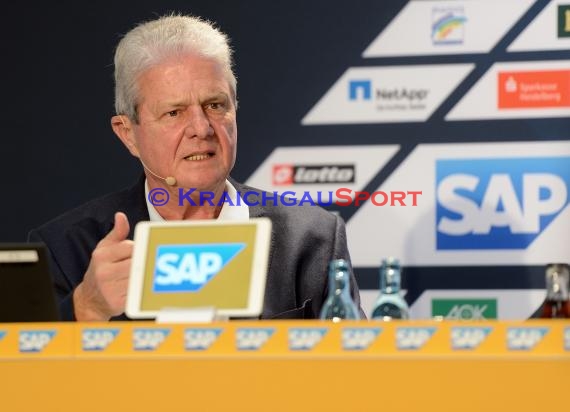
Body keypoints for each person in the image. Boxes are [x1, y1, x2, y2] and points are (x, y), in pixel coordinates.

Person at [28, 13, 363, 321]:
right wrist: (86, 308)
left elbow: (356, 372)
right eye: (174, 112)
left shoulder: (311, 240)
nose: (201, 128)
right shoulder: (67, 248)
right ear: (128, 133)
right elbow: (24, 378)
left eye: (215, 105)